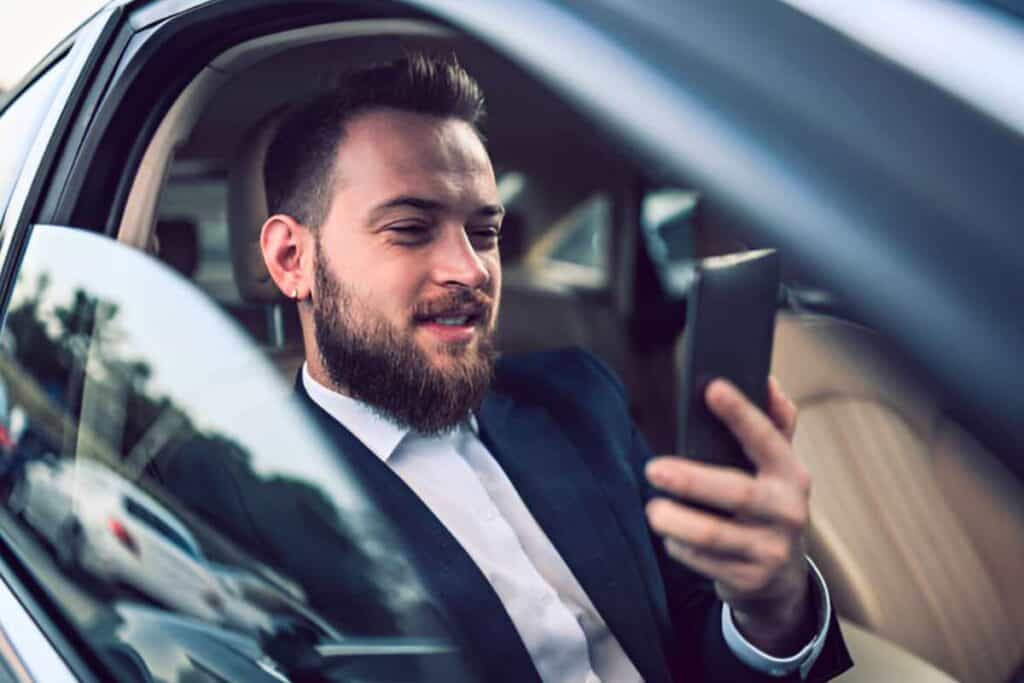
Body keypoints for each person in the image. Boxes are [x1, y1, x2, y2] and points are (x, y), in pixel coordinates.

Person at [258, 54, 852, 682]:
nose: (471, 270)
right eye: (410, 229)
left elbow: (689, 633)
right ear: (292, 259)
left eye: (485, 233)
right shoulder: (247, 507)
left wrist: (769, 611)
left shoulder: (578, 396)